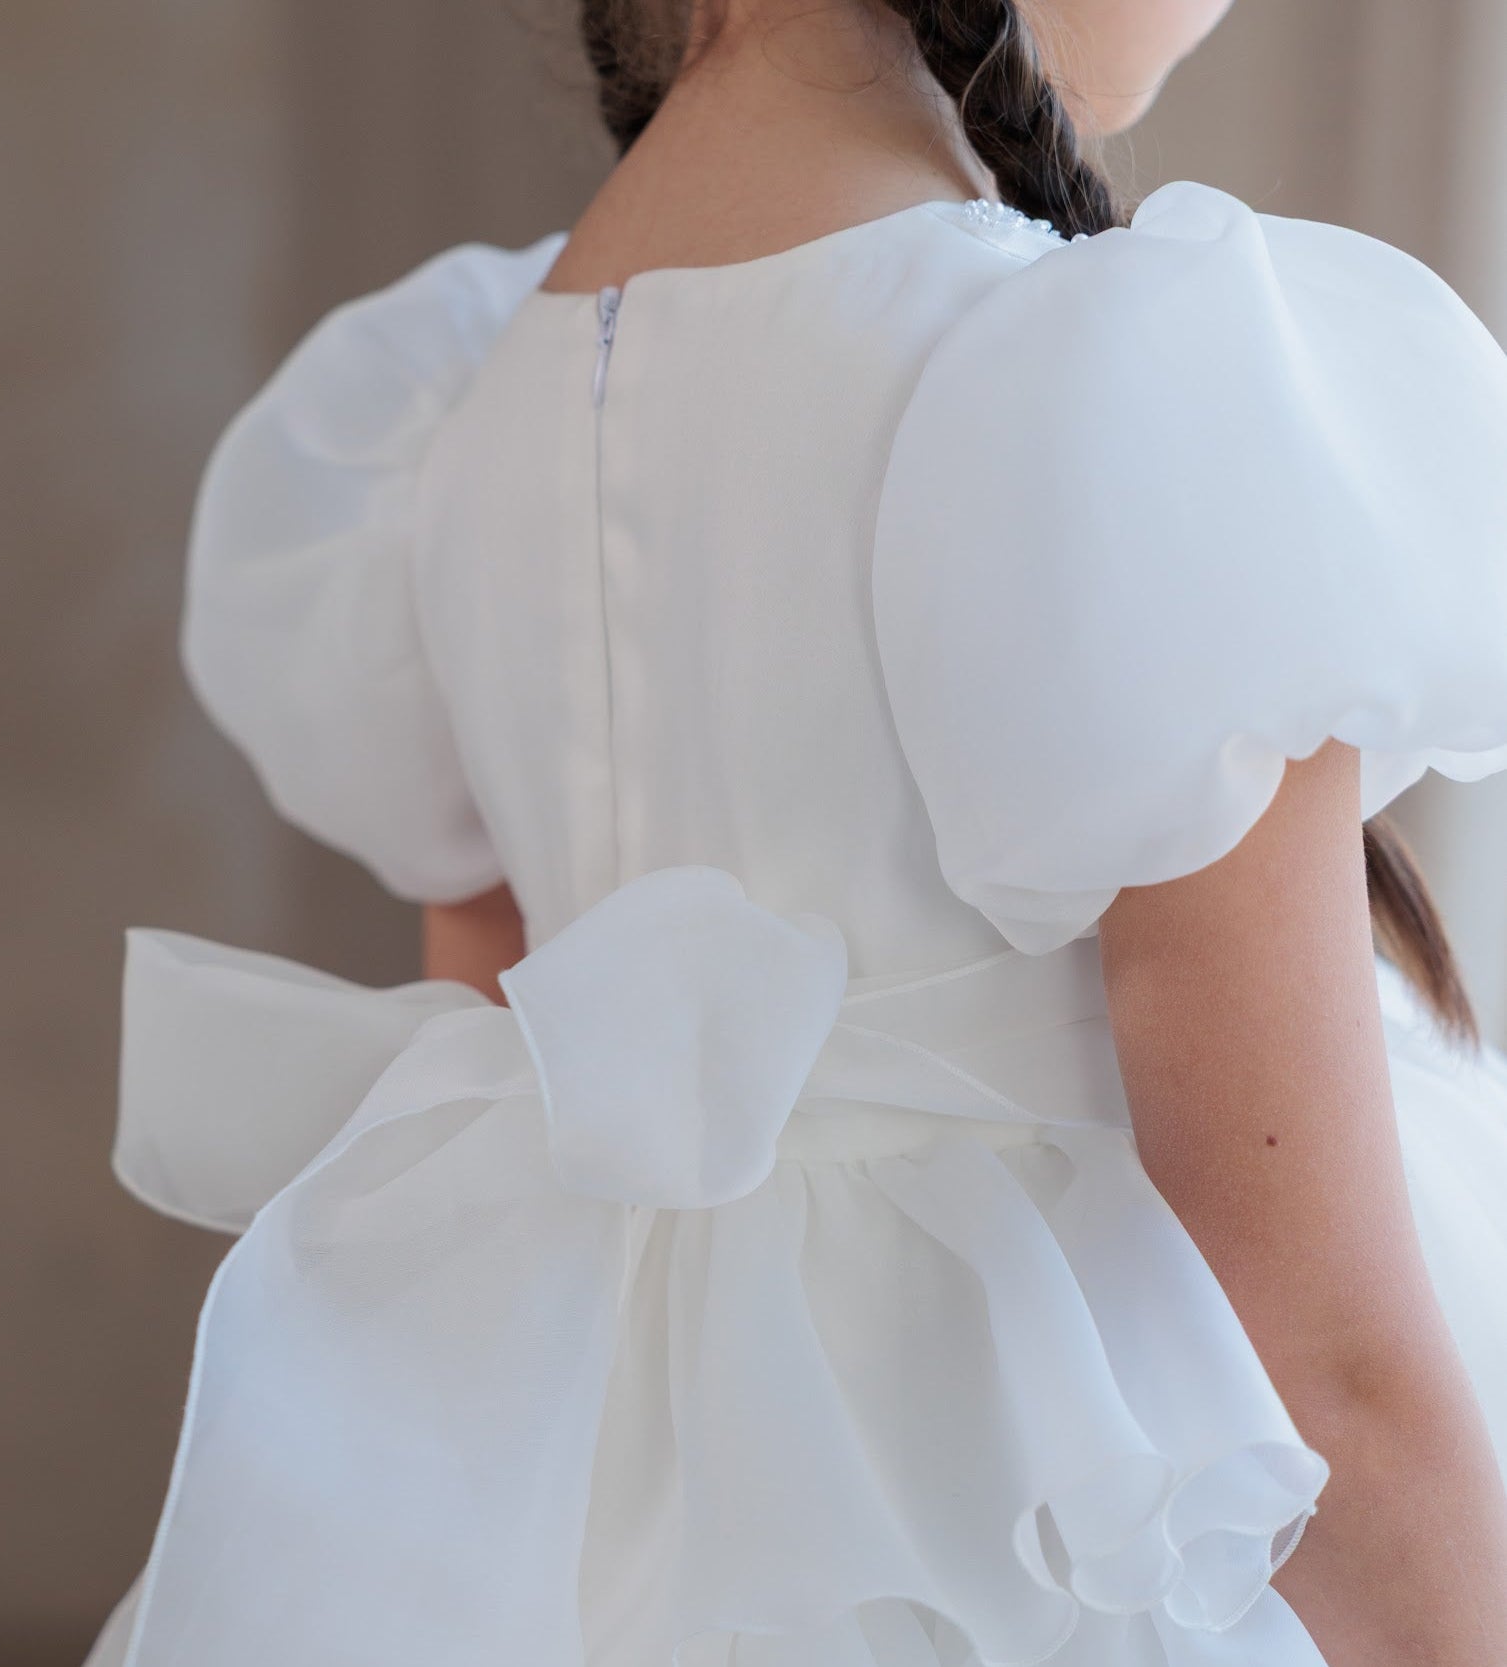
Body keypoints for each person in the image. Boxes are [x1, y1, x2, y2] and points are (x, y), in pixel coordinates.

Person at [87, 1, 1507, 1662]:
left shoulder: (439, 420)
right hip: (1048, 1534)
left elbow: (518, 1053)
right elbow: (1317, 1360)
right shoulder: (1135, 381)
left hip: (580, 1517)